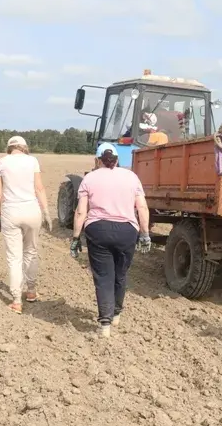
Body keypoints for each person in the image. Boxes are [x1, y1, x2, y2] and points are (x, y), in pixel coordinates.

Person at [70, 143, 152, 337]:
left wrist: (75, 238)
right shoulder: (131, 177)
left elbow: (81, 211)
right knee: (120, 274)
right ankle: (116, 314)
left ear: (98, 160)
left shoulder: (89, 178)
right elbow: (142, 208)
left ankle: (104, 324)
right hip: (127, 231)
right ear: (117, 159)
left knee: (103, 277)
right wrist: (145, 234)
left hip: (98, 230)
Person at [0, 136, 53, 314]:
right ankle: (31, 291)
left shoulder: (1, 163)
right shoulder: (32, 161)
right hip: (32, 210)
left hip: (11, 212)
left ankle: (17, 300)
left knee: (14, 257)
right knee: (31, 252)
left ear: (9, 148)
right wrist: (46, 211)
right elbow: (39, 188)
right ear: (24, 147)